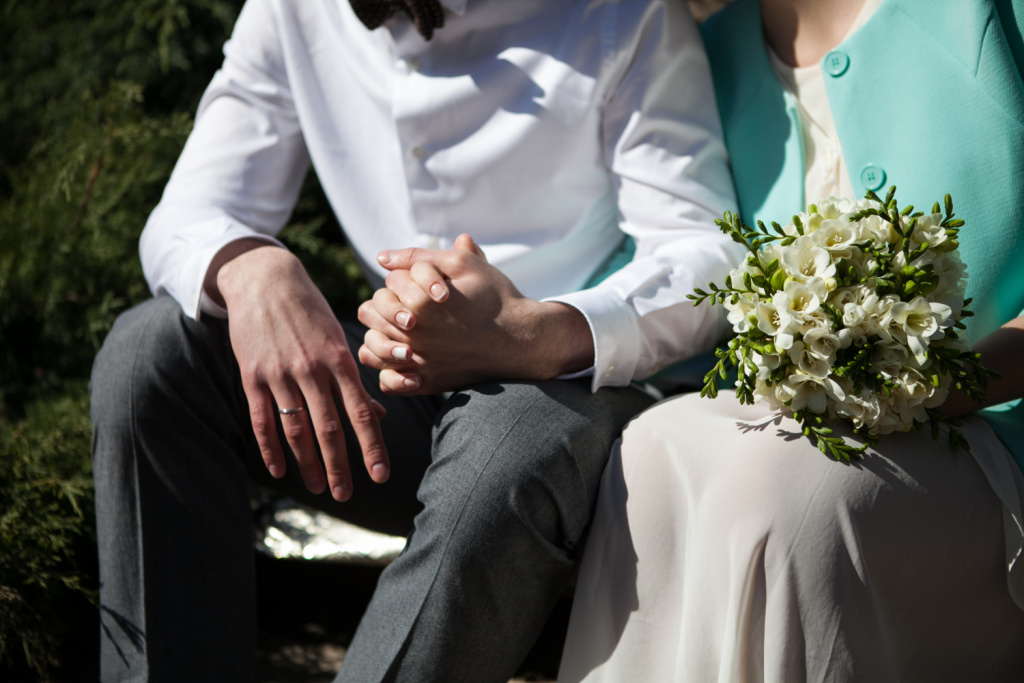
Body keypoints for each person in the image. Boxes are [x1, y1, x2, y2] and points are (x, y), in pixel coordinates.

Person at [88, 0, 742, 680]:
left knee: (503, 443)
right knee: (149, 354)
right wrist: (250, 267)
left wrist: (536, 333)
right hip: (387, 400)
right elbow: (193, 207)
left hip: (562, 392)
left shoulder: (626, 13)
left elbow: (704, 252)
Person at [558, 0, 1024, 680]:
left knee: (787, 491)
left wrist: (935, 387)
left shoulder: (986, 15)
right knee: (653, 450)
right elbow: (661, 264)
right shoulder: (704, 54)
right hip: (795, 427)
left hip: (998, 434)